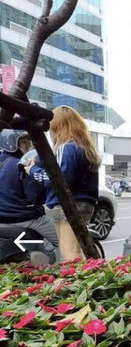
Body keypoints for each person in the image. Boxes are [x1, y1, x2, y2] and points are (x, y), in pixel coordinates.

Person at [25, 106, 100, 260]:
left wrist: (33, 170)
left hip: (66, 205)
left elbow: (58, 180)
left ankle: (78, 282)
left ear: (58, 127)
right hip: (84, 203)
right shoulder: (84, 147)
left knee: (69, 252)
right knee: (73, 250)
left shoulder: (66, 148)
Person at [0, 129, 58, 250]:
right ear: (13, 144)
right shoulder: (22, 165)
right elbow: (34, 198)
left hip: (3, 220)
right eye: (24, 142)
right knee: (67, 241)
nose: (27, 145)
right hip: (25, 218)